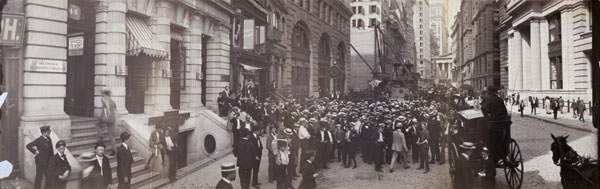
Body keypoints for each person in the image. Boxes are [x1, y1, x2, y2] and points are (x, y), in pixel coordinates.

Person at [96, 89, 118, 155]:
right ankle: (114, 150)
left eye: (102, 93)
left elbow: (107, 107)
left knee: (97, 124)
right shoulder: (112, 100)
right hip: (112, 118)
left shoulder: (103, 99)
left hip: (106, 117)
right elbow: (115, 109)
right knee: (111, 135)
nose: (101, 94)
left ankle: (101, 135)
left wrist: (106, 114)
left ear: (104, 93)